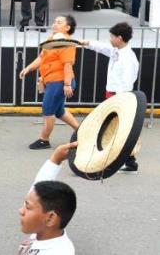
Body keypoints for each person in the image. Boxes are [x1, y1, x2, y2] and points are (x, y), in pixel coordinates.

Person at [80, 22, 140, 172]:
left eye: (112, 36)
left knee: (117, 131)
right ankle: (129, 161)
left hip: (119, 98)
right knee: (115, 130)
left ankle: (125, 161)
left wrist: (118, 102)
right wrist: (87, 43)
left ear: (119, 38)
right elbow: (103, 48)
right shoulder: (117, 51)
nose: (110, 39)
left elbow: (126, 82)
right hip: (113, 96)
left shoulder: (128, 58)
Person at [19, 15, 80, 150]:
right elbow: (42, 57)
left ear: (67, 28)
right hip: (53, 81)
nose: (54, 24)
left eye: (59, 22)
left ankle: (44, 140)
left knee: (48, 111)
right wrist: (28, 68)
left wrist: (67, 84)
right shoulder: (52, 39)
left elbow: (67, 65)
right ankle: (81, 131)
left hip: (59, 82)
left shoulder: (67, 43)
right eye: (54, 21)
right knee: (59, 111)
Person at [18, 142, 77, 255]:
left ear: (50, 218)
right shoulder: (42, 233)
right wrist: (55, 159)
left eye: (27, 207)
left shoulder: (59, 252)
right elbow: (36, 192)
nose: (21, 210)